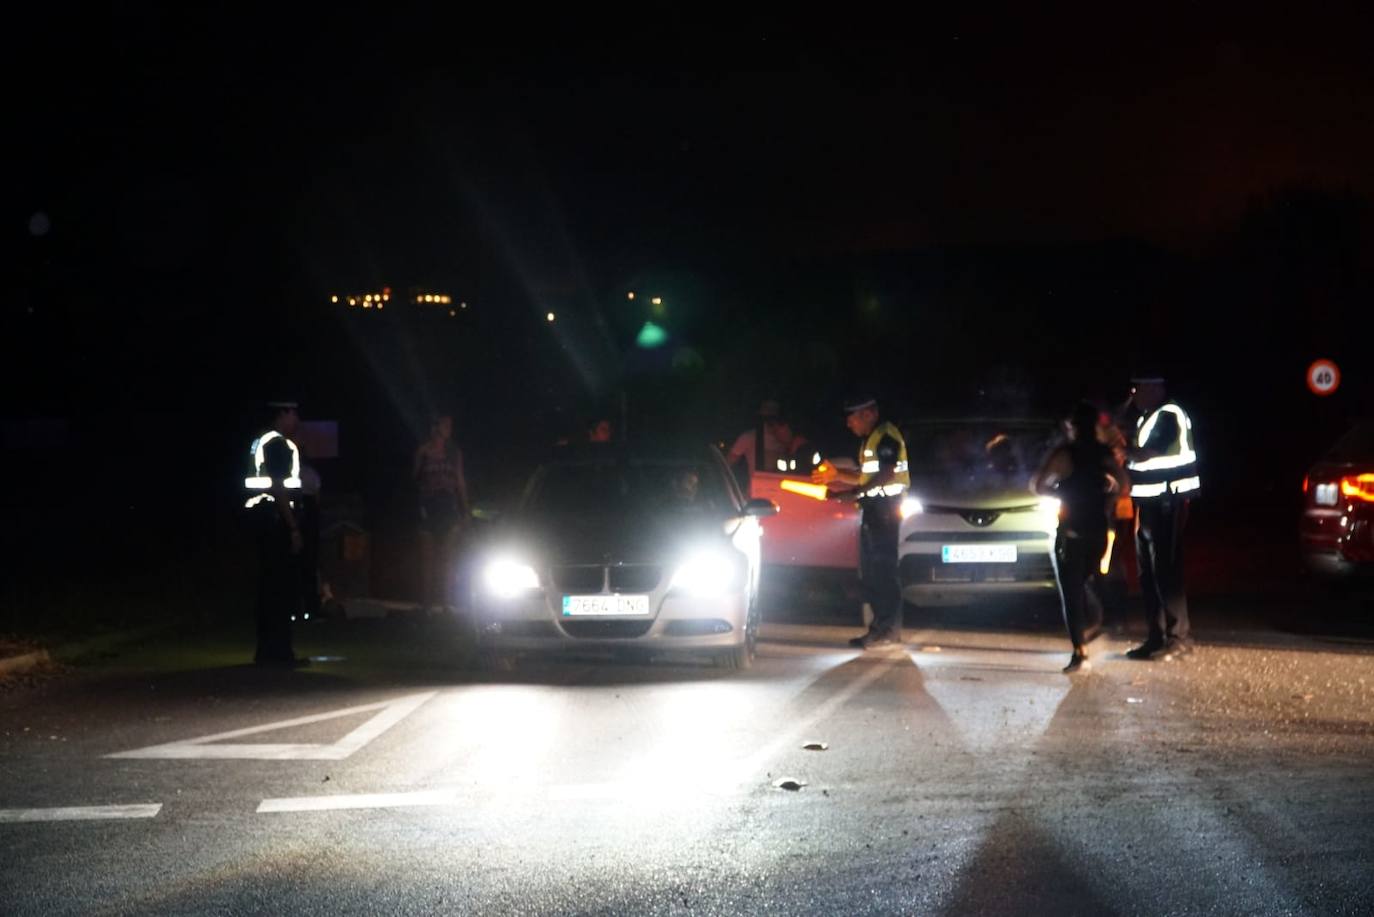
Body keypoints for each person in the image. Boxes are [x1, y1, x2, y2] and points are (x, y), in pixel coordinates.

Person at [1034, 401, 1130, 673]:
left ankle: (1080, 651)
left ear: (1071, 427)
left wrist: (1060, 492)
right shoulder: (1103, 453)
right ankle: (1104, 621)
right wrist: (1107, 497)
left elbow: (1038, 485)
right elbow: (1124, 485)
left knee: (1071, 592)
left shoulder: (1063, 454)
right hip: (1098, 531)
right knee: (1093, 579)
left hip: (1070, 533)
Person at [813, 394, 910, 648]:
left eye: (852, 417)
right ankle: (881, 628)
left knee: (883, 571)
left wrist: (853, 493)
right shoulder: (872, 439)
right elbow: (865, 478)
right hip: (876, 511)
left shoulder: (886, 437)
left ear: (868, 413)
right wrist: (838, 477)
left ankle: (885, 630)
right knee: (873, 573)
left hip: (885, 511)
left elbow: (887, 474)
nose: (849, 424)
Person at [1124, 374, 1200, 661]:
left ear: (1155, 387)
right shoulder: (1148, 417)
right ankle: (1156, 638)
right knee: (1148, 574)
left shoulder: (1168, 415)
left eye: (1138, 387)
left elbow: (1148, 454)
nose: (1134, 394)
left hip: (1168, 501)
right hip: (1149, 504)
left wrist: (1119, 450)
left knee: (1167, 570)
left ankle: (1179, 637)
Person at [244, 400, 308, 667]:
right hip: (275, 520)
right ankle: (280, 653)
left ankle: (267, 652)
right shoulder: (278, 443)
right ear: (284, 413)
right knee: (280, 588)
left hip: (261, 518)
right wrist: (293, 527)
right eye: (294, 414)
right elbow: (279, 487)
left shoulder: (259, 440)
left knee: (268, 587)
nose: (297, 420)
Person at [413, 413, 470, 613]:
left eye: (450, 425)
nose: (448, 429)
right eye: (445, 425)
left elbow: (460, 481)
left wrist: (465, 509)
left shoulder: (454, 452)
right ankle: (426, 603)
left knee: (447, 558)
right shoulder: (423, 451)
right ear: (435, 427)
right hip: (429, 505)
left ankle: (446, 602)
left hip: (448, 505)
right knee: (427, 558)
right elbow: (415, 480)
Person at [727, 400, 787, 473]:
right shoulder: (748, 437)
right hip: (757, 483)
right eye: (767, 409)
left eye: (774, 409)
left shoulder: (786, 439)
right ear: (760, 412)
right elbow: (728, 463)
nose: (770, 413)